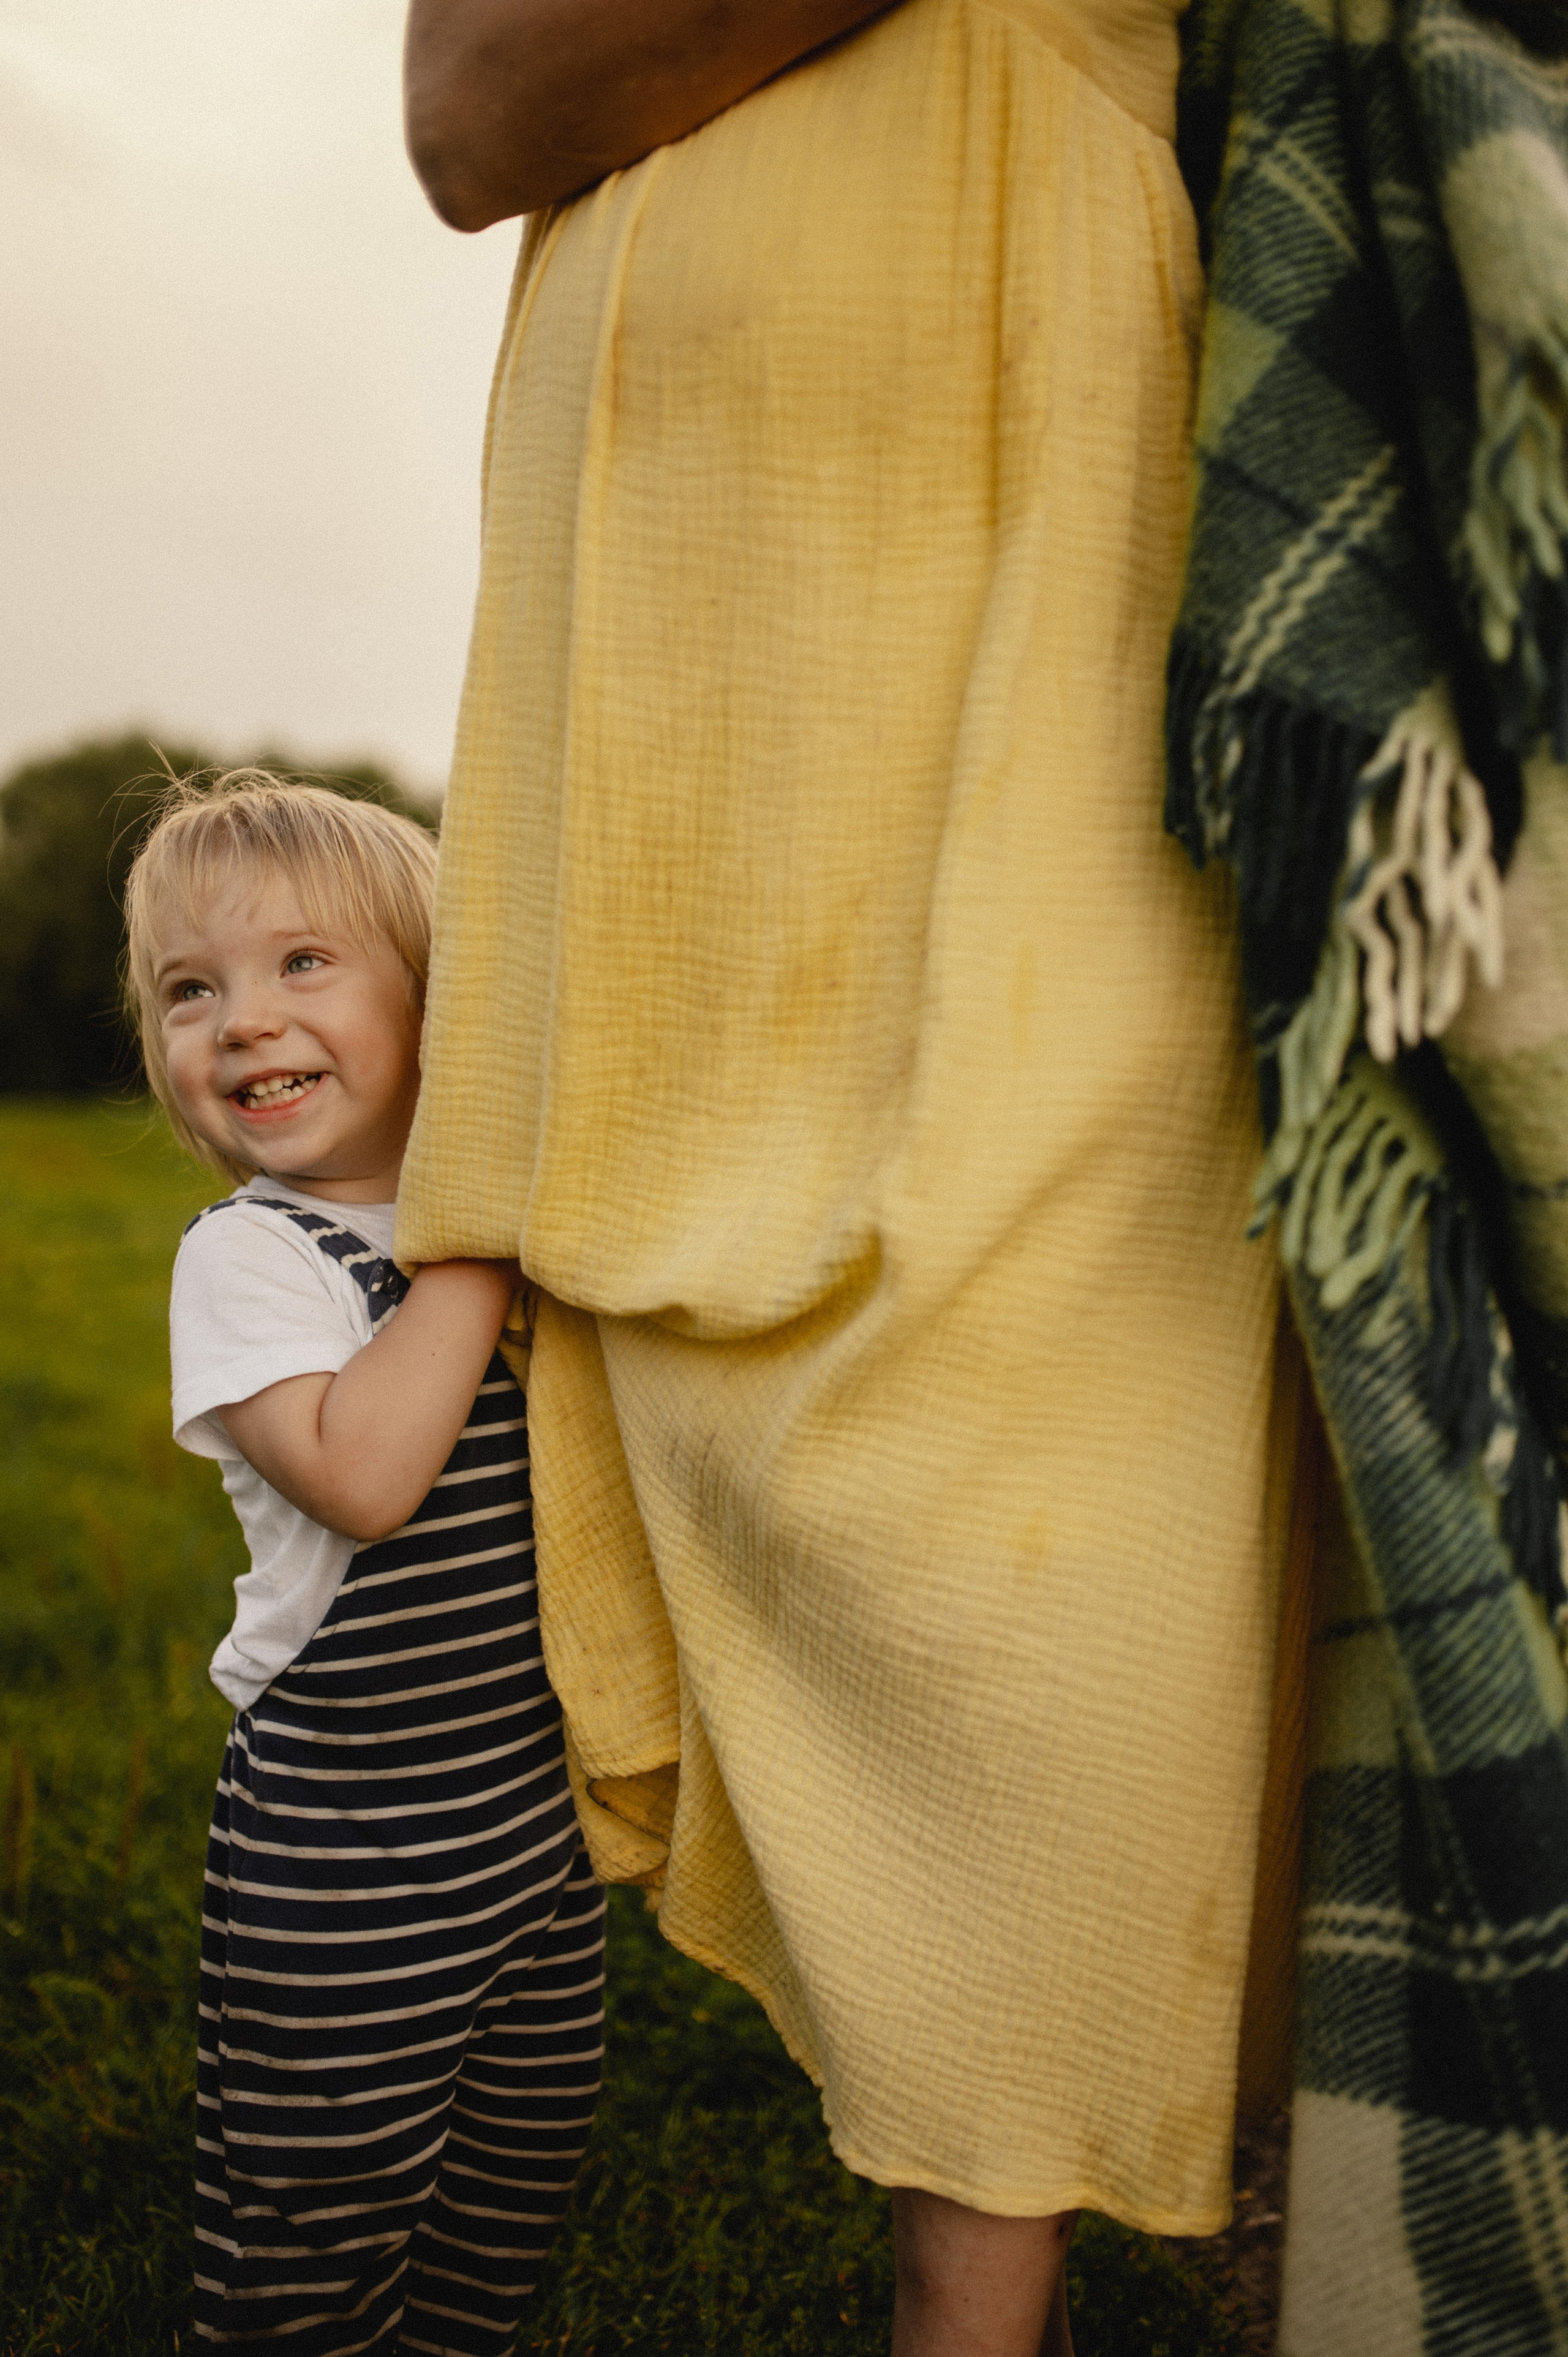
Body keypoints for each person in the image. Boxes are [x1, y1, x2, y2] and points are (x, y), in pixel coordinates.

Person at [398, 6, 1303, 2354]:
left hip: (1084, 531)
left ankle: (1094, 2234)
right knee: (825, 1414)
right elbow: (468, 114)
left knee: (1065, 1414)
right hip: (704, 668)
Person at [122, 771, 604, 2357]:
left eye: (301, 964)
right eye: (194, 989)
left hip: (532, 1832)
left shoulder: (527, 1234)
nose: (244, 1021)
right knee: (315, 2240)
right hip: (346, 1853)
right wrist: (475, 1243)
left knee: (501, 2216)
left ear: (436, 997)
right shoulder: (254, 1256)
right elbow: (366, 1475)